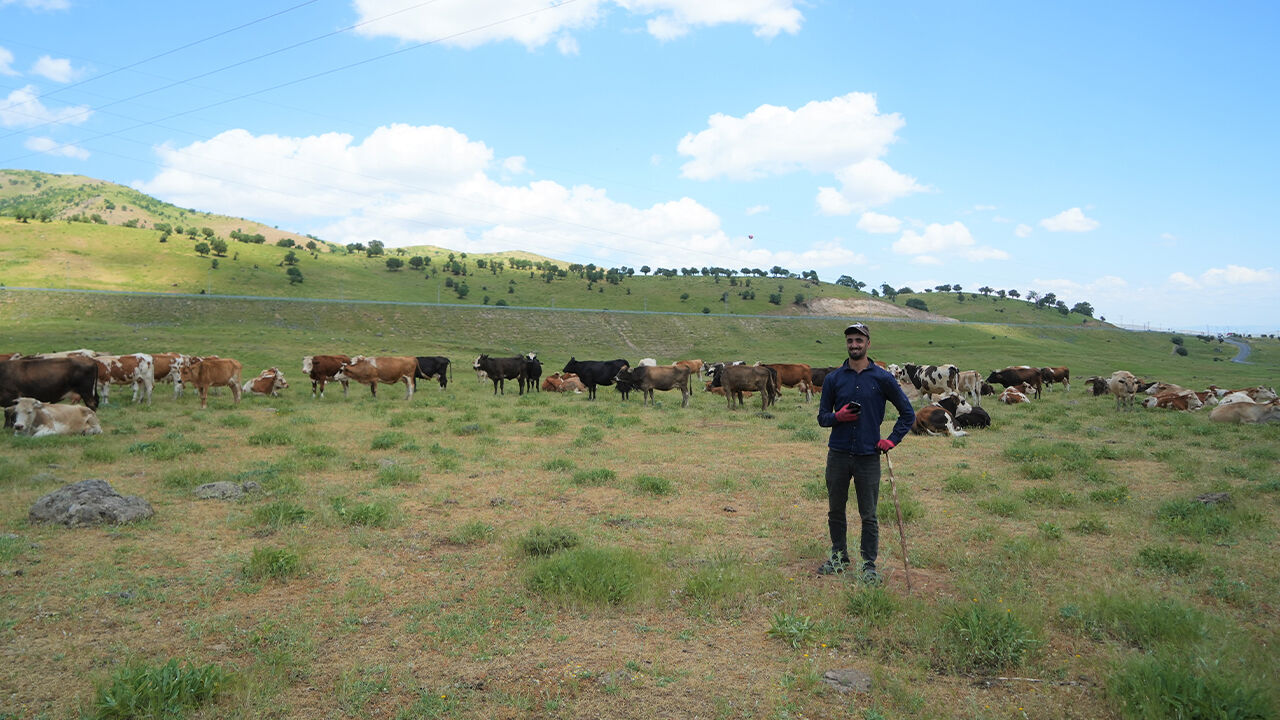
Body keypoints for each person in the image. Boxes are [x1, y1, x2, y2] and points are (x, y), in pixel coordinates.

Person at [815, 322, 915, 580]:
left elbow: (907, 413)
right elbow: (823, 418)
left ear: (868, 343)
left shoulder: (883, 378)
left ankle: (868, 565)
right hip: (837, 453)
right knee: (835, 510)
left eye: (859, 340)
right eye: (850, 340)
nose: (854, 345)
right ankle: (838, 557)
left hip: (868, 455)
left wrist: (891, 440)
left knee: (868, 514)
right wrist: (839, 416)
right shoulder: (833, 379)